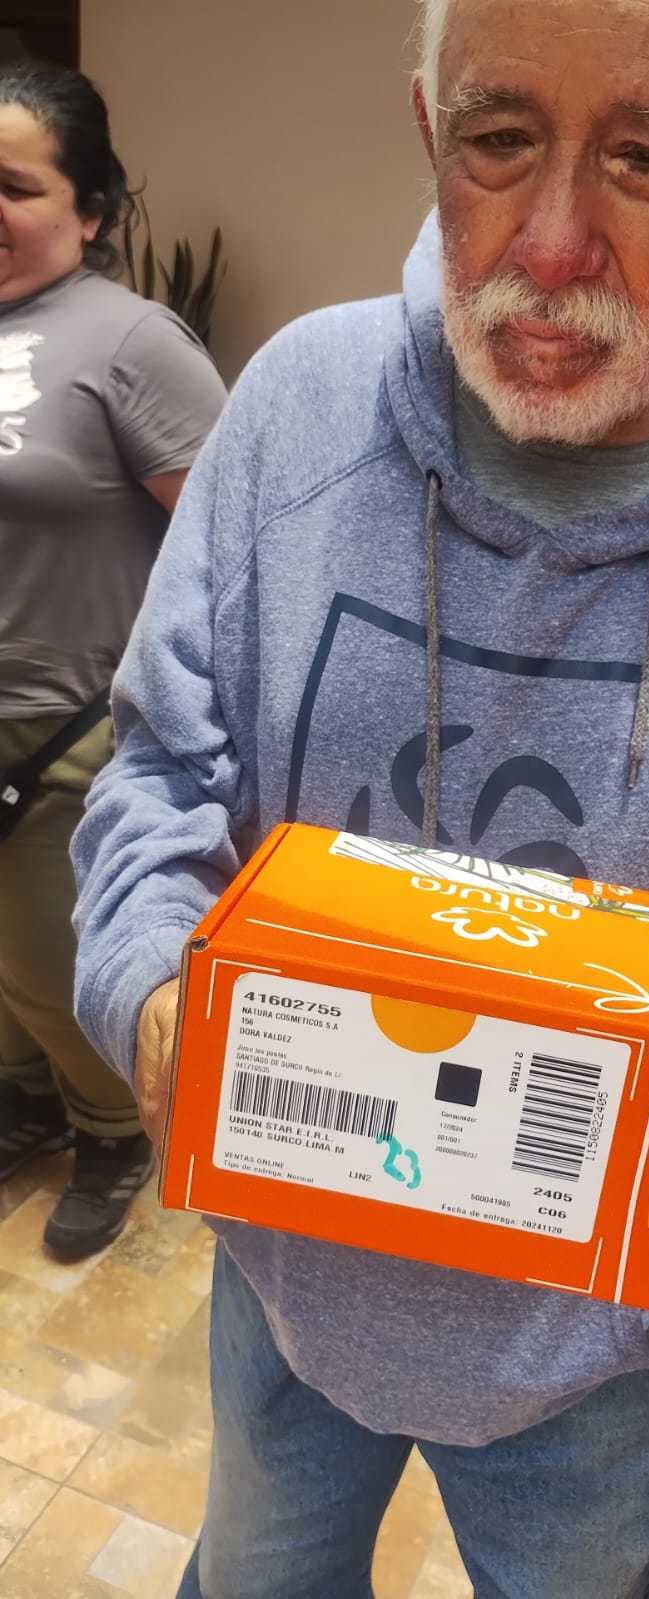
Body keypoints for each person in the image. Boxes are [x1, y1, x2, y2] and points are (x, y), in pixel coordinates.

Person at [73, 1, 649, 1594]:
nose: (551, 244)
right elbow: (163, 763)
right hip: (289, 1274)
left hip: (613, 1342)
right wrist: (152, 989)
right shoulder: (298, 406)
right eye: (497, 141)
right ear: (426, 128)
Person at [0, 62, 226, 1261]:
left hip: (66, 726)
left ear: (88, 209)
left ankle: (108, 1136)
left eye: (14, 186)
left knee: (54, 962)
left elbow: (230, 550)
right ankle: (29, 1104)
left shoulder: (134, 341)